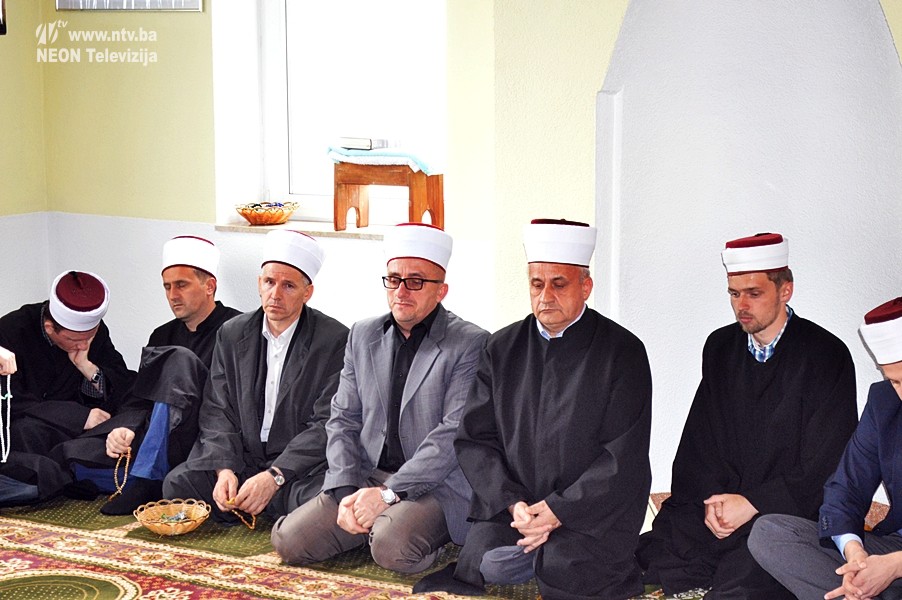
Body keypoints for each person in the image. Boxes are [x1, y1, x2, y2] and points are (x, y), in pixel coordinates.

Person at [414, 218, 653, 599]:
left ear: (585, 287)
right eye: (537, 284)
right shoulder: (502, 347)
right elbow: (476, 439)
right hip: (517, 508)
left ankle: (545, 551)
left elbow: (622, 455)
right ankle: (533, 545)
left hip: (590, 513)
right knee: (487, 563)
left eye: (559, 284)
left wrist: (558, 510)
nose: (546, 296)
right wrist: (514, 504)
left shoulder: (622, 352)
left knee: (568, 571)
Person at [636, 232, 858, 599]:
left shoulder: (825, 355)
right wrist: (714, 503)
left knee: (750, 572)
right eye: (734, 294)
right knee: (652, 552)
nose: (742, 305)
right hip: (723, 504)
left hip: (784, 511)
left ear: (785, 290)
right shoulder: (721, 347)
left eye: (754, 293)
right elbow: (701, 441)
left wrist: (754, 503)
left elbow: (826, 464)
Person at [271, 223, 488, 574]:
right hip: (367, 475)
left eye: (415, 281)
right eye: (394, 279)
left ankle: (392, 527)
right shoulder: (363, 334)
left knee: (392, 548)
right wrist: (345, 489)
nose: (401, 291)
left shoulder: (469, 343)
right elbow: (342, 418)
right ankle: (373, 523)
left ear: (441, 290)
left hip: (436, 485)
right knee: (289, 541)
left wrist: (388, 495)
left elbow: (452, 435)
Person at [163, 230, 349, 523]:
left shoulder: (334, 339)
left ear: (307, 292)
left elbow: (327, 422)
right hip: (243, 458)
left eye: (288, 286)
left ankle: (262, 502)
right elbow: (217, 408)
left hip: (296, 469)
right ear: (259, 283)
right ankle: (256, 503)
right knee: (178, 484)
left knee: (327, 496)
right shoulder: (232, 333)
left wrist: (275, 476)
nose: (275, 294)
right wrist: (224, 468)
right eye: (269, 282)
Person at [56, 236, 240, 514]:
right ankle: (147, 475)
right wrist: (125, 428)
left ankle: (145, 480)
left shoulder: (236, 329)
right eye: (167, 286)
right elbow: (142, 395)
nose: (172, 295)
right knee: (73, 456)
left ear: (209, 286)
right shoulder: (161, 334)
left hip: (207, 435)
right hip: (162, 435)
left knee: (178, 359)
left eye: (181, 285)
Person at [749, 296, 902, 600]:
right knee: (769, 533)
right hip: (890, 547)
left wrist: (895, 566)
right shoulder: (883, 403)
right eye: (896, 381)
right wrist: (855, 554)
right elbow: (846, 487)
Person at [0, 271, 136, 504]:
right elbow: (11, 399)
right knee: (28, 433)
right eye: (74, 340)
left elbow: (122, 383)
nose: (83, 345)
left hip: (76, 437)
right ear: (49, 327)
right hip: (28, 429)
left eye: (89, 338)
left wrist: (87, 368)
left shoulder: (93, 334)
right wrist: (79, 417)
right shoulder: (12, 330)